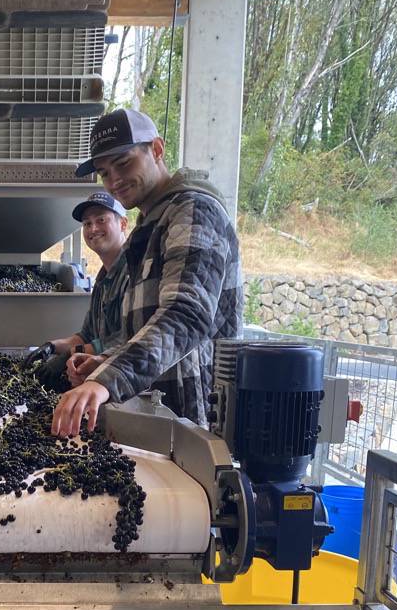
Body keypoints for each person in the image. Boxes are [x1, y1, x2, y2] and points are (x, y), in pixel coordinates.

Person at [51, 108, 243, 436]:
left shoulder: (193, 211)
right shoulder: (152, 224)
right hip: (154, 413)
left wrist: (108, 379)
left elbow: (187, 316)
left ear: (156, 149)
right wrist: (108, 362)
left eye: (123, 163)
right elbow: (144, 329)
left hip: (186, 421)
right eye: (104, 172)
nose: (114, 181)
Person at [23, 192, 128, 390]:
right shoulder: (103, 279)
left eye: (101, 220)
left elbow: (125, 340)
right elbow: (86, 336)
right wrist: (51, 346)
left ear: (123, 224)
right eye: (87, 224)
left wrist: (69, 355)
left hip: (130, 386)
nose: (93, 228)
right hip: (104, 384)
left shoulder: (133, 273)